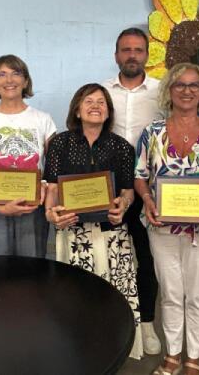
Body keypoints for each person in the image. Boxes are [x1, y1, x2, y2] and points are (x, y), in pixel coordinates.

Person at [135, 62, 199, 375]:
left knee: (196, 295)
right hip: (161, 226)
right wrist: (147, 198)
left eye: (194, 85)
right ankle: (172, 355)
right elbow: (140, 175)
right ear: (169, 90)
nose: (187, 90)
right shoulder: (152, 133)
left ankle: (193, 357)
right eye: (180, 84)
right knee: (170, 294)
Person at [43, 83, 144, 359]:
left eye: (101, 102)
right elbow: (52, 188)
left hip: (112, 234)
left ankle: (113, 351)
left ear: (108, 111)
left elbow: (128, 191)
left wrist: (123, 205)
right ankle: (79, 352)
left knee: (113, 296)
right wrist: (50, 213)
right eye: (89, 101)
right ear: (77, 110)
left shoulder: (122, 147)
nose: (96, 106)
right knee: (76, 295)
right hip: (74, 234)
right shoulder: (60, 144)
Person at [102, 27, 164, 355]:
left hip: (148, 187)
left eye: (138, 50)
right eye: (126, 49)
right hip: (106, 187)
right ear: (116, 55)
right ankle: (109, 321)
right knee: (109, 254)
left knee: (147, 257)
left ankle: (147, 323)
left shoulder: (162, 91)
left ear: (147, 55)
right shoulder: (101, 92)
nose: (132, 55)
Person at [0, 55, 56, 257]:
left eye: (16, 73)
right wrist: (0, 207)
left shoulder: (43, 120)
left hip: (32, 206)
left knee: (32, 266)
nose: (9, 80)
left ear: (25, 81)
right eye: (2, 74)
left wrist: (44, 186)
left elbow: (54, 168)